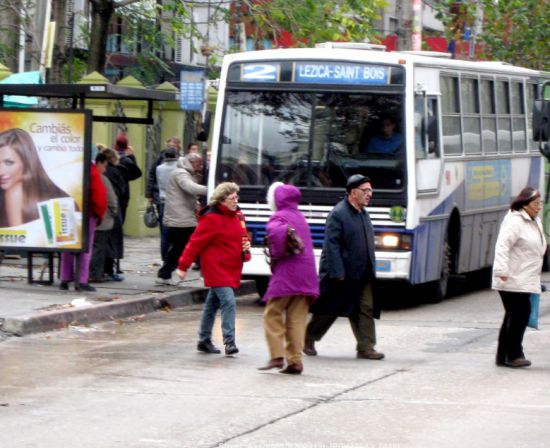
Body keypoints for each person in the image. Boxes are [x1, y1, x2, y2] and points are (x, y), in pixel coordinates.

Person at [304, 174, 383, 360]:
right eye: (366, 190)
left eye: (371, 190)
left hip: (362, 273)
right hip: (341, 274)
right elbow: (331, 246)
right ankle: (307, 338)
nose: (369, 194)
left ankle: (366, 347)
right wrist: (337, 272)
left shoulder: (363, 213)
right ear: (353, 192)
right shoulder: (338, 214)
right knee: (329, 310)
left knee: (365, 308)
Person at [176, 182, 251, 356]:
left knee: (212, 304)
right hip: (216, 268)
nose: (235, 201)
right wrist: (183, 266)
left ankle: (203, 339)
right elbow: (195, 243)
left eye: (236, 197)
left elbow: (243, 236)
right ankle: (229, 342)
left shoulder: (238, 215)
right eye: (232, 198)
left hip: (231, 267)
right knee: (229, 302)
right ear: (222, 199)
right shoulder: (212, 218)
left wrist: (246, 244)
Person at [258, 182, 319, 375]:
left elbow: (276, 232)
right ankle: (295, 361)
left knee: (272, 313)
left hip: (288, 273)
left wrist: (276, 250)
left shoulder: (279, 216)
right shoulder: (300, 216)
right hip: (307, 275)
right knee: (297, 318)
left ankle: (277, 355)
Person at [492, 187, 545, 368]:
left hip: (523, 276)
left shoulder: (533, 220)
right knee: (520, 314)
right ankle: (513, 354)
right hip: (511, 276)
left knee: (514, 314)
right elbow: (502, 246)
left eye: (541, 203)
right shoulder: (515, 220)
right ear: (525, 204)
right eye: (536, 204)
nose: (539, 207)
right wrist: (501, 271)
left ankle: (505, 355)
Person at [0, 128, 71, 228]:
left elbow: (17, 240)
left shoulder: (15, 192)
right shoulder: (53, 191)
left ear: (27, 161)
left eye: (9, 162)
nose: (1, 172)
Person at [59, 146, 107, 292]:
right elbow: (99, 195)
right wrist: (99, 214)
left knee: (67, 244)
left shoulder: (69, 167)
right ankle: (82, 279)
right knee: (85, 247)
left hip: (67, 209)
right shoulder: (91, 170)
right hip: (87, 213)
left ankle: (64, 277)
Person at [156, 153, 207, 285]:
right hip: (180, 219)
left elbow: (190, 197)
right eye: (198, 164)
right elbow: (190, 188)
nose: (200, 167)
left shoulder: (185, 173)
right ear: (191, 162)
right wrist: (212, 189)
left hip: (183, 218)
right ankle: (165, 273)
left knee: (181, 247)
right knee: (180, 248)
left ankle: (167, 272)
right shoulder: (180, 173)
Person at [89, 152, 119, 283]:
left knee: (91, 247)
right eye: (104, 166)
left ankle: (87, 272)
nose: (105, 169)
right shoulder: (101, 178)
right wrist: (113, 212)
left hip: (90, 218)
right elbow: (111, 200)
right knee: (99, 248)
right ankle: (95, 274)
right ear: (99, 163)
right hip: (102, 219)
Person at [155, 147, 180, 261]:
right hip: (176, 202)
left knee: (164, 233)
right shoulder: (179, 168)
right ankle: (173, 257)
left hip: (163, 201)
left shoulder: (159, 168)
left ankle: (164, 258)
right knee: (176, 232)